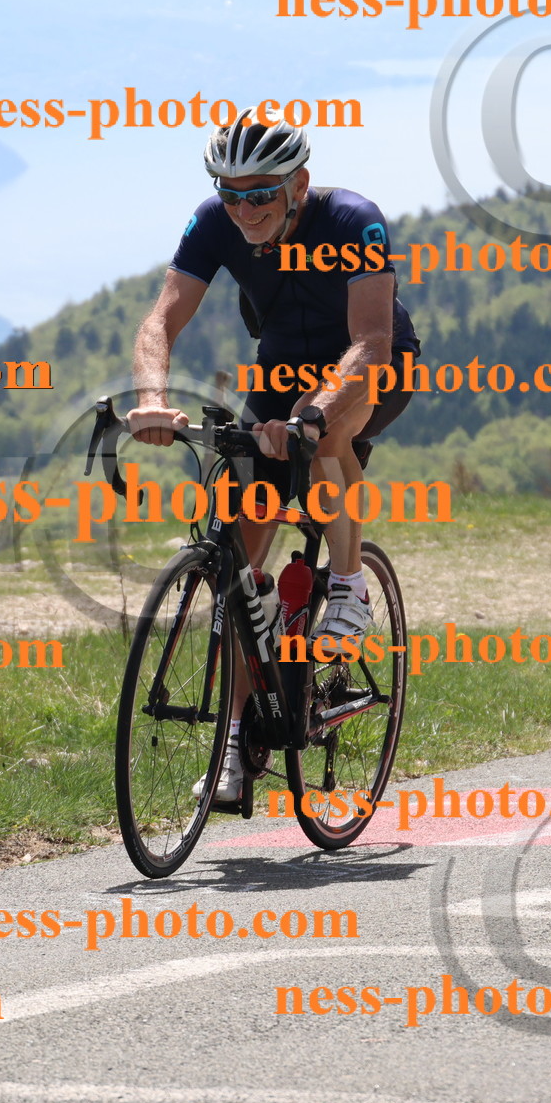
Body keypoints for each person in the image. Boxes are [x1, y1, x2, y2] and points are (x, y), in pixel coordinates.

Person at [128, 108, 420, 800]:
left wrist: (313, 413)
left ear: (299, 184)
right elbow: (162, 317)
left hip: (373, 367)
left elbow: (372, 342)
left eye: (260, 193)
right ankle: (236, 744)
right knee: (238, 560)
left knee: (330, 435)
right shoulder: (214, 221)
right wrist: (150, 400)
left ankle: (349, 588)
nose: (244, 208)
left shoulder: (352, 221)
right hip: (281, 376)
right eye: (230, 193)